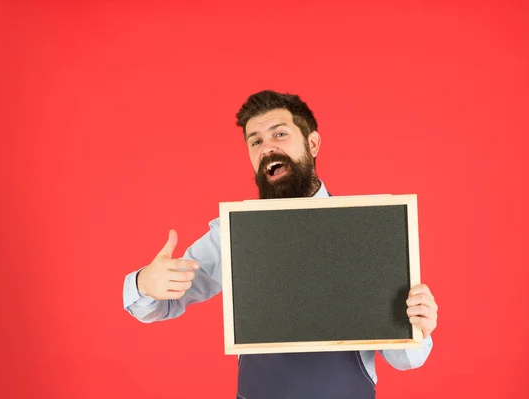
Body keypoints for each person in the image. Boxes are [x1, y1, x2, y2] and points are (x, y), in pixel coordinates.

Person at [123, 90, 439, 399]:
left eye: (280, 134)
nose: (267, 148)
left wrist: (418, 326)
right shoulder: (234, 234)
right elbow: (163, 304)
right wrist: (144, 284)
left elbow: (404, 359)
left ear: (312, 143)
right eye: (256, 141)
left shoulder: (368, 231)